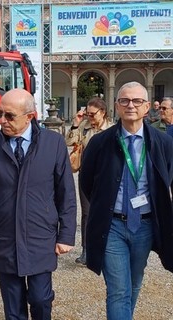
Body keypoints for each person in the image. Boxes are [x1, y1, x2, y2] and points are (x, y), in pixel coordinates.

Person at [0, 88, 77, 320]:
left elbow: (66, 192)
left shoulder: (54, 143)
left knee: (40, 299)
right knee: (13, 309)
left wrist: (66, 234)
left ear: (30, 116)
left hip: (41, 236)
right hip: (4, 238)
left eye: (9, 116)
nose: (2, 121)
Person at [79, 81, 173, 320]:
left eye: (137, 101)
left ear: (147, 108)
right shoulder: (100, 143)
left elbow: (168, 180)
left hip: (145, 226)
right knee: (119, 291)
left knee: (133, 285)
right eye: (125, 100)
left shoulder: (164, 143)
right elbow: (87, 183)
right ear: (117, 106)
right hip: (113, 226)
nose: (130, 105)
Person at [65, 97, 113, 265]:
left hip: (106, 176)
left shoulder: (112, 129)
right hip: (86, 174)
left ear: (103, 112)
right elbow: (69, 142)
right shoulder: (84, 128)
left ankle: (106, 248)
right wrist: (76, 123)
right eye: (87, 114)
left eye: (92, 114)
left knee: (107, 211)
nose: (89, 117)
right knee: (87, 213)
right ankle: (86, 250)